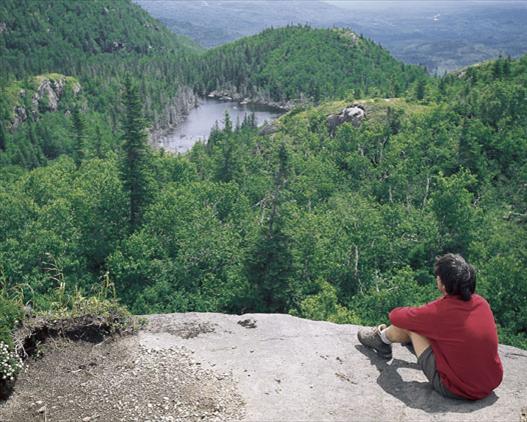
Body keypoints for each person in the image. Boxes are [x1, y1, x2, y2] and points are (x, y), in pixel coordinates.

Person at [357, 253, 503, 400]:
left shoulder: (440, 312)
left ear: (444, 285)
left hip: (457, 388)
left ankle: (381, 339)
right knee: (427, 326)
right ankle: (383, 339)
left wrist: (419, 313)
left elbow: (396, 316)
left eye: (438, 276)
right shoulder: (481, 303)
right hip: (490, 382)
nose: (436, 278)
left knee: (411, 327)